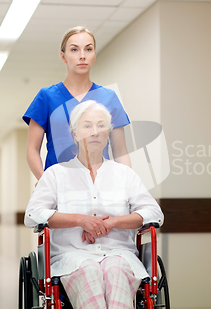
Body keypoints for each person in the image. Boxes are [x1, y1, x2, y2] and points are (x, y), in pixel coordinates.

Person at [24, 101, 163, 309]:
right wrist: (81, 220)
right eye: (87, 126)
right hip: (72, 258)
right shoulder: (56, 174)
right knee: (89, 270)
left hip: (120, 255)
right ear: (75, 133)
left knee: (115, 270)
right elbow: (32, 214)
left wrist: (112, 223)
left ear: (108, 133)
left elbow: (154, 213)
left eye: (101, 125)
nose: (95, 132)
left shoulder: (124, 174)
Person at [23, 26, 131, 182]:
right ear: (63, 56)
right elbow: (32, 150)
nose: (82, 56)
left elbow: (121, 152)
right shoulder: (46, 97)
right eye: (74, 50)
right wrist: (44, 182)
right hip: (58, 186)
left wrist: (127, 186)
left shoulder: (109, 98)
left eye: (88, 49)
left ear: (94, 55)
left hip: (101, 186)